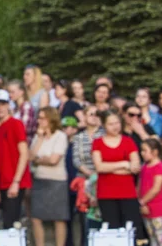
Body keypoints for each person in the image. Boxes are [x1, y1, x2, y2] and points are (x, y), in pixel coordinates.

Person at [92, 111, 147, 243]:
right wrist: (124, 164)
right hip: (106, 193)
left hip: (127, 192)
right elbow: (99, 167)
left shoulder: (128, 142)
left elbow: (135, 167)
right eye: (111, 124)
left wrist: (110, 168)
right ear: (104, 125)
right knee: (112, 228)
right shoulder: (98, 142)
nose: (115, 126)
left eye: (117, 123)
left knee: (133, 228)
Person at [29, 107, 69, 246]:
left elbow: (54, 160)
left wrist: (39, 160)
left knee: (59, 218)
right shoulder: (37, 136)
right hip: (40, 179)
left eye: (42, 118)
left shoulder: (60, 136)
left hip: (56, 181)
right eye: (38, 118)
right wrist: (39, 139)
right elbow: (31, 156)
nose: (39, 121)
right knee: (36, 217)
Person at [0, 89, 32, 229]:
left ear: (9, 105)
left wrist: (16, 182)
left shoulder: (16, 124)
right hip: (2, 183)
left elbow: (24, 153)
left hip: (14, 182)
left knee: (12, 225)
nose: (0, 107)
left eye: (3, 103)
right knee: (5, 225)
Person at [72, 105, 104, 245]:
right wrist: (91, 175)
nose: (94, 116)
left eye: (96, 114)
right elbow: (76, 160)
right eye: (90, 114)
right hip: (85, 183)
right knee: (85, 220)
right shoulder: (79, 137)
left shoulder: (104, 134)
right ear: (84, 116)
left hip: (103, 180)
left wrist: (98, 174)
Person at [139, 138, 162, 246]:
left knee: (160, 238)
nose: (142, 153)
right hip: (146, 210)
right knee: (152, 239)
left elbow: (156, 188)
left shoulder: (159, 167)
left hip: (158, 210)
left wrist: (142, 201)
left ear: (155, 152)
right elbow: (140, 185)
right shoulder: (144, 167)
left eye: (145, 150)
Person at [61, 116, 79, 246]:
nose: (67, 130)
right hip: (64, 185)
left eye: (71, 127)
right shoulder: (60, 144)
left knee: (83, 218)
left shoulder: (78, 144)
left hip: (78, 184)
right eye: (64, 127)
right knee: (66, 218)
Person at [8, 79, 37, 144]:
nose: (10, 95)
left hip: (25, 143)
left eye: (12, 92)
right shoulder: (16, 108)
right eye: (9, 92)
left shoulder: (26, 107)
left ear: (21, 92)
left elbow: (24, 128)